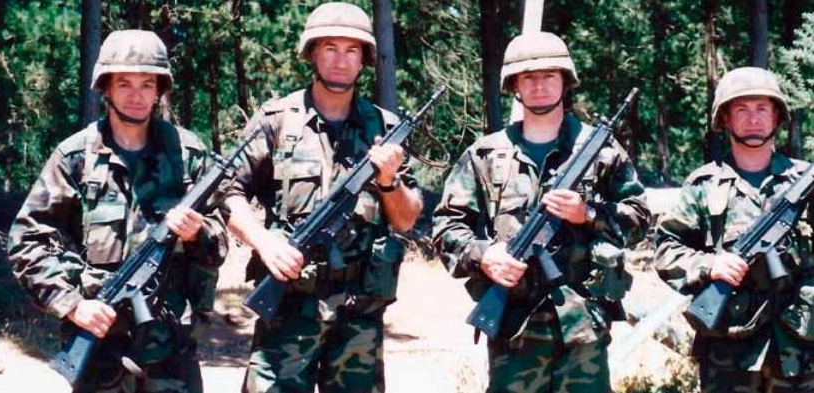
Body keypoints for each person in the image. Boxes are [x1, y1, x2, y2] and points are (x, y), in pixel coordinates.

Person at [7, 29, 228, 392]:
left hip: (171, 344)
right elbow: (26, 239)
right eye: (124, 83)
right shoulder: (75, 157)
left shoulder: (189, 154)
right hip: (100, 339)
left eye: (147, 84)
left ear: (160, 89)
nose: (136, 95)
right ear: (105, 88)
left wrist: (197, 232)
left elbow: (218, 242)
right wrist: (73, 305)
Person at [432, 32, 651, 393]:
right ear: (514, 85)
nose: (539, 86)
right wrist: (486, 256)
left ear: (565, 80)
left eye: (549, 76)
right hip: (513, 327)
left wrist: (589, 214)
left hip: (583, 325)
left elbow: (639, 216)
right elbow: (446, 227)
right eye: (528, 77)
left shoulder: (601, 151)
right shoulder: (485, 155)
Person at [223, 3, 423, 392]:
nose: (340, 60)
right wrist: (265, 243)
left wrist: (387, 181)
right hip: (288, 306)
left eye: (352, 50)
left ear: (364, 59)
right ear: (312, 52)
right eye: (330, 47)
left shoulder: (386, 128)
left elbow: (407, 218)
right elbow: (229, 193)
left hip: (358, 313)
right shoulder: (276, 120)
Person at [655, 66, 814, 392]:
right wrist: (710, 265)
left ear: (776, 117)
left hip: (800, 352)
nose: (753, 118)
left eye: (762, 109)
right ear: (724, 119)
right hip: (728, 356)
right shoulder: (703, 185)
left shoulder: (805, 183)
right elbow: (666, 249)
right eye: (741, 109)